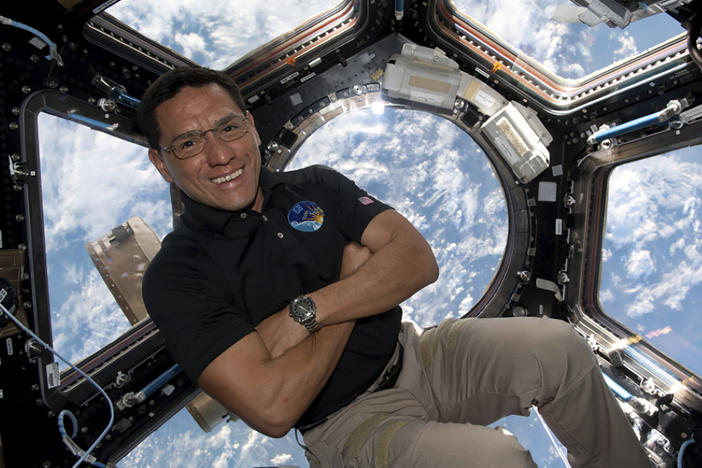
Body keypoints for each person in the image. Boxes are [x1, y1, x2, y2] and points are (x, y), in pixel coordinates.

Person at [137, 66, 650, 467]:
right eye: (188, 142)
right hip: (345, 422)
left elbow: (417, 262)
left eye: (228, 127)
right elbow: (274, 406)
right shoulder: (176, 276)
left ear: (249, 127)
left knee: (558, 347)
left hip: (420, 354)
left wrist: (305, 313)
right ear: (163, 162)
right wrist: (350, 287)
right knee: (498, 460)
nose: (220, 153)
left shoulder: (315, 184)